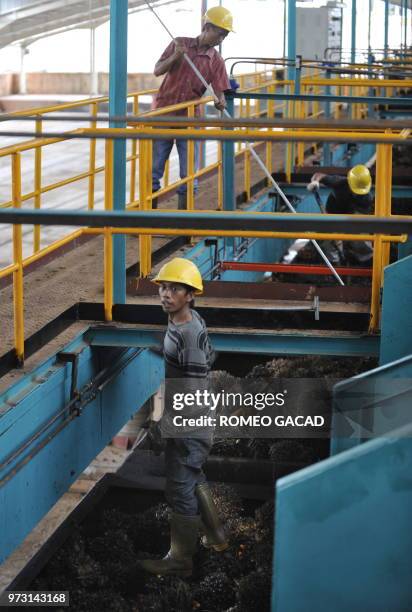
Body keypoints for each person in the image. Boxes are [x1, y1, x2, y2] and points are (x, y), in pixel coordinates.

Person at [139, 257, 228, 577]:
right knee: (194, 476)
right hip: (199, 418)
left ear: (190, 294)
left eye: (174, 289)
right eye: (162, 287)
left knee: (179, 488)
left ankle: (180, 561)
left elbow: (191, 384)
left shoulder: (185, 333)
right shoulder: (188, 320)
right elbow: (211, 356)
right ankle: (216, 536)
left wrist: (164, 420)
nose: (165, 294)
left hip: (190, 421)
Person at [151, 6, 233, 210]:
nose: (222, 38)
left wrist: (220, 101)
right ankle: (147, 214)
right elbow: (157, 70)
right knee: (154, 168)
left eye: (225, 35)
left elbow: (220, 92)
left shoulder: (216, 61)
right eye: (220, 33)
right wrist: (175, 57)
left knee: (189, 173)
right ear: (207, 27)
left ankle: (183, 221)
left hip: (190, 119)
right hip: (164, 114)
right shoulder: (179, 44)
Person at [310, 164, 374, 265]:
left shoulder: (367, 198)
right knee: (327, 240)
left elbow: (359, 218)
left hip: (352, 216)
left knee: (359, 237)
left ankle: (366, 261)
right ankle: (334, 263)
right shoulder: (339, 182)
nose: (357, 194)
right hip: (333, 213)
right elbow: (319, 175)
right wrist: (315, 182)